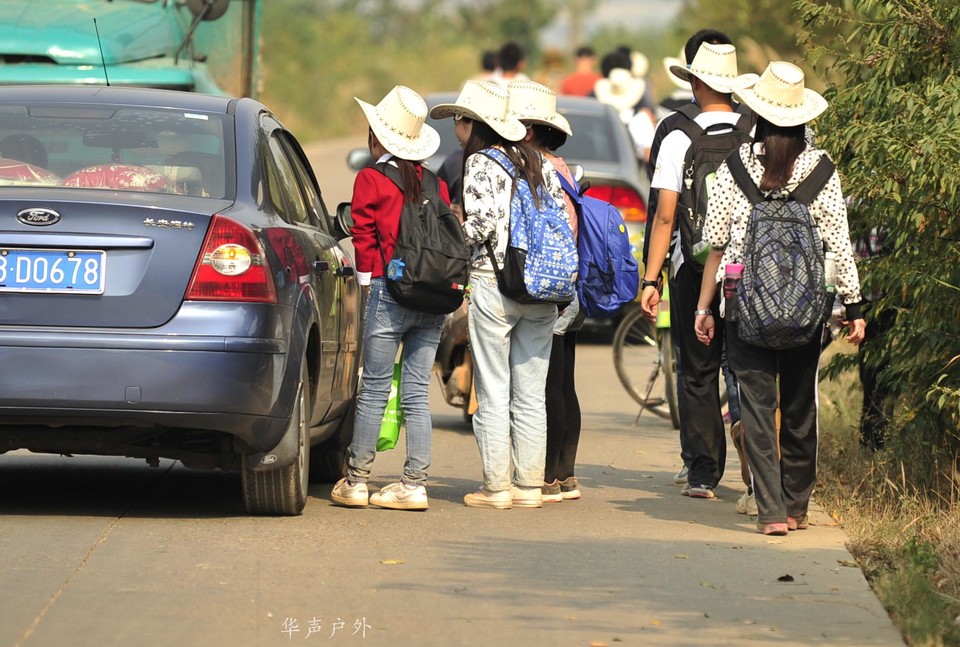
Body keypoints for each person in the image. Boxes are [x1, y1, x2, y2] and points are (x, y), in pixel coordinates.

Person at [693, 61, 866, 535]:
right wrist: (852, 307)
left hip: (744, 306)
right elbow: (838, 241)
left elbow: (717, 244)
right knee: (798, 407)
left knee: (755, 405)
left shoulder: (734, 167)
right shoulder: (822, 168)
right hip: (807, 312)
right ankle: (796, 505)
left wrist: (704, 308)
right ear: (803, 119)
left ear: (757, 115)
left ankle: (770, 512)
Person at [430, 80, 564, 510]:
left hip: (495, 283)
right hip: (543, 287)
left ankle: (496, 487)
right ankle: (529, 486)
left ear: (474, 123)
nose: (456, 127)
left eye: (459, 119)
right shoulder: (538, 162)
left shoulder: (482, 164)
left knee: (492, 387)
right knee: (531, 392)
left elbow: (481, 227)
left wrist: (450, 238)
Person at [639, 42, 757, 500]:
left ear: (695, 81)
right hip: (749, 267)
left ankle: (703, 474)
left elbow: (665, 217)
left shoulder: (677, 135)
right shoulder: (755, 128)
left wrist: (651, 280)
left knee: (698, 369)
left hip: (693, 266)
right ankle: (758, 467)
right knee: (749, 368)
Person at [331, 85, 449, 511]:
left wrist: (365, 282)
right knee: (417, 392)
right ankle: (414, 484)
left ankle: (357, 480)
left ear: (376, 136)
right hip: (432, 296)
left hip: (388, 288)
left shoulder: (371, 178)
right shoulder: (434, 182)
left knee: (376, 389)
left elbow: (363, 232)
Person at [505, 79, 583, 503]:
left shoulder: (536, 170)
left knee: (547, 381)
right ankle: (565, 473)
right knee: (564, 379)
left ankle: (549, 474)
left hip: (544, 283)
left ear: (529, 131)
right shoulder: (564, 168)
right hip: (569, 284)